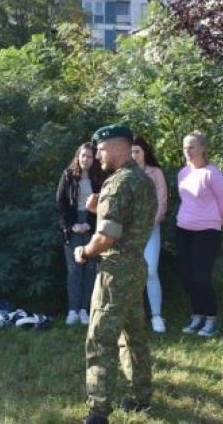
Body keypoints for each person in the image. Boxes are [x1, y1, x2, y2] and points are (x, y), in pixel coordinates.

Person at [74, 124, 156, 424]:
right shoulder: (143, 180)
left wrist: (84, 252)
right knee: (134, 335)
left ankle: (98, 412)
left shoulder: (118, 183)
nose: (97, 155)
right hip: (135, 268)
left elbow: (106, 237)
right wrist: (100, 206)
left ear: (119, 148)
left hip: (115, 273)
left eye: (101, 149)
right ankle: (141, 397)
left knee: (100, 340)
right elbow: (131, 221)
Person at [176, 131, 223, 338]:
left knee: (201, 277)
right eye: (185, 147)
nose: (187, 151)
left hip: (207, 231)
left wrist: (217, 222)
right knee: (187, 277)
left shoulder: (212, 173)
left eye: (191, 147)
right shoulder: (183, 173)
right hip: (183, 229)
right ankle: (197, 315)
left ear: (202, 149)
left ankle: (211, 319)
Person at [56, 142, 103, 326]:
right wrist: (71, 226)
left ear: (94, 159)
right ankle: (72, 310)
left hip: (92, 225)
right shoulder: (68, 175)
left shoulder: (99, 177)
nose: (86, 159)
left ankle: (84, 310)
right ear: (78, 156)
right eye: (83, 155)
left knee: (90, 269)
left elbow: (103, 204)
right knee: (75, 269)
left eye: (89, 156)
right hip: (72, 226)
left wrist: (89, 225)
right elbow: (60, 203)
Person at [131, 136, 168, 333]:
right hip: (129, 232)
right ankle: (133, 317)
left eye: (137, 151)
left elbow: (162, 202)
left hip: (151, 229)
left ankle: (156, 316)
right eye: (131, 151)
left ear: (145, 152)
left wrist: (149, 224)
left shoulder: (156, 173)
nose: (134, 155)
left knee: (151, 271)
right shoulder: (125, 173)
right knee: (131, 272)